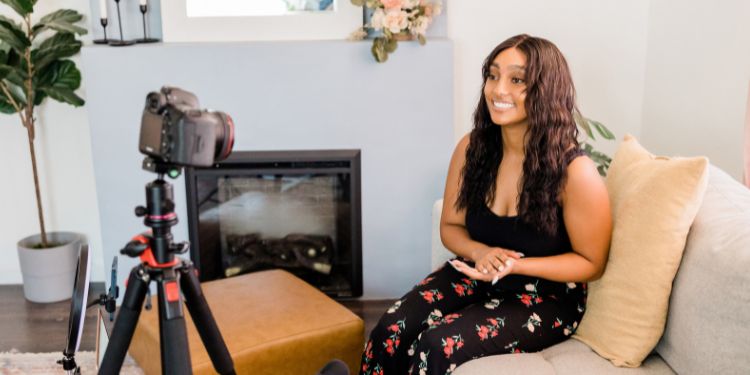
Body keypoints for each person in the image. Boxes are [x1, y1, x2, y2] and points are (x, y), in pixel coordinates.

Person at [359, 34, 612, 375]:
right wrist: (479, 253)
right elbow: (450, 226)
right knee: (392, 326)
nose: (498, 90)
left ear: (546, 90)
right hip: (474, 273)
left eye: (517, 80)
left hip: (545, 296)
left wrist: (515, 266)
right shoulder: (471, 149)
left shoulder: (575, 171)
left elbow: (591, 263)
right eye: (493, 76)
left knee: (437, 344)